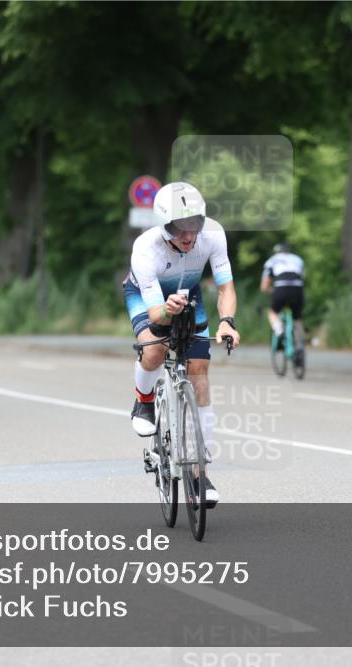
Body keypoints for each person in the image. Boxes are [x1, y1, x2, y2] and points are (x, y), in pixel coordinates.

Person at [123, 181, 240, 507]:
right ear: (162, 226)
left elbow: (225, 288)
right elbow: (156, 313)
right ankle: (143, 399)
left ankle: (199, 474)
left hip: (188, 294)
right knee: (156, 349)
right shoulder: (146, 249)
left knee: (199, 370)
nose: (189, 236)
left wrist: (227, 322)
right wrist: (166, 310)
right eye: (178, 229)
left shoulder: (214, 234)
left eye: (195, 226)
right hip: (149, 298)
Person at [260, 242, 306, 358]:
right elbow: (302, 276)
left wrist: (271, 291)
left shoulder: (272, 260)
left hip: (280, 287)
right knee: (297, 318)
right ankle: (299, 345)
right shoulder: (298, 259)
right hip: (297, 288)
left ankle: (279, 330)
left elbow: (264, 286)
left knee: (273, 311)